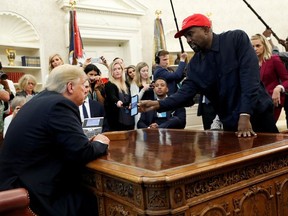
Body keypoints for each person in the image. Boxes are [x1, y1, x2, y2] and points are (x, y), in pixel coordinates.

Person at [139, 13, 278, 137]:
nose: (188, 40)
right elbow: (184, 94)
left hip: (258, 115)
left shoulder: (236, 39)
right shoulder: (194, 65)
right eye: (186, 36)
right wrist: (158, 104)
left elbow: (250, 79)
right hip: (231, 123)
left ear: (206, 30)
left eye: (190, 34)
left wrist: (245, 114)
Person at [0, 64, 110, 216]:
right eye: (83, 85)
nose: (87, 89)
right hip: (31, 193)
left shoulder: (41, 99)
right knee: (94, 201)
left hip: (16, 183)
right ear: (70, 87)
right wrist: (100, 142)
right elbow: (81, 152)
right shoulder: (60, 105)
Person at [250, 33, 288, 122]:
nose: (255, 49)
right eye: (252, 46)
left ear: (264, 46)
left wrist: (279, 88)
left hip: (272, 101)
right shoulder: (250, 63)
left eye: (258, 46)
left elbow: (286, 79)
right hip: (255, 103)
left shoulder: (274, 59)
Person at [104, 61, 134, 131]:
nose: (117, 71)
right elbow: (112, 96)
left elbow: (130, 97)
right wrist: (117, 101)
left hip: (129, 118)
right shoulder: (109, 84)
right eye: (114, 69)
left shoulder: (126, 84)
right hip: (117, 120)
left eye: (119, 69)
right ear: (111, 72)